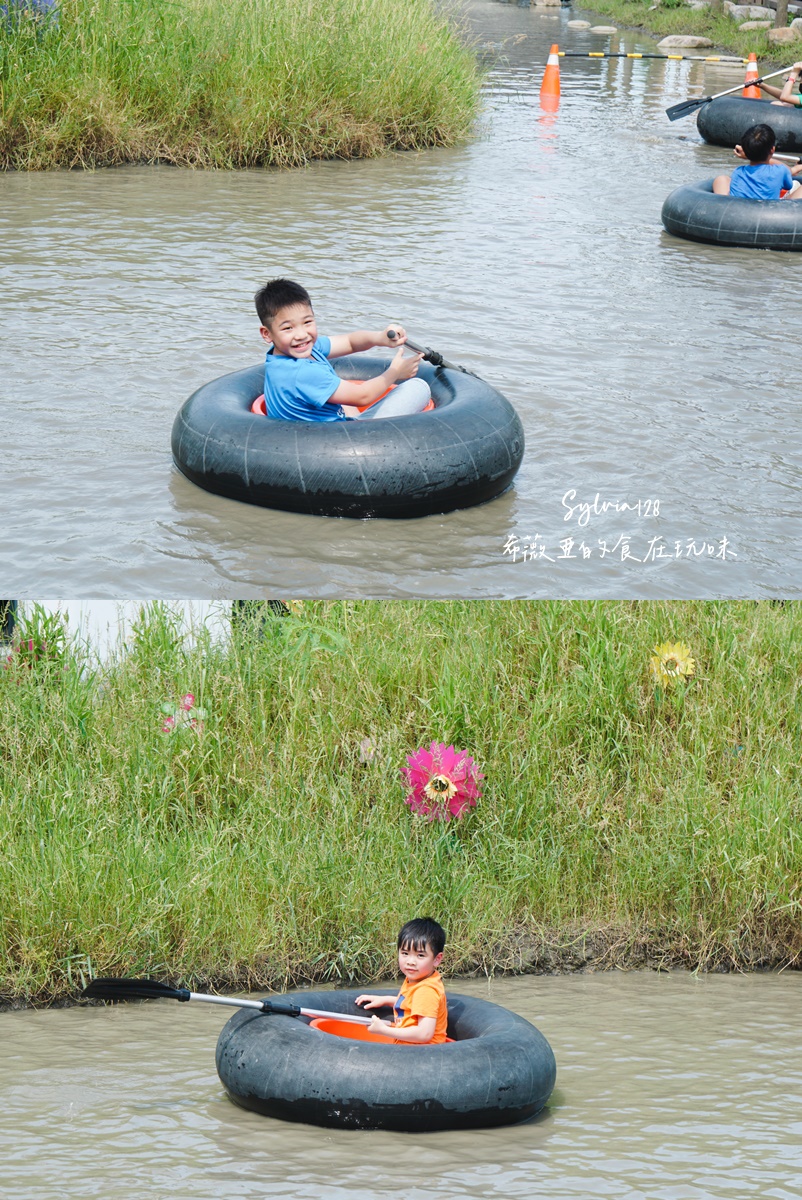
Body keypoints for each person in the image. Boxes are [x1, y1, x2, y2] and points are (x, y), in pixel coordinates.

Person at [254, 278, 431, 422]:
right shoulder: (301, 372)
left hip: (320, 430)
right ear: (267, 333)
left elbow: (349, 341)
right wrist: (395, 372)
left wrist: (379, 338)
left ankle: (354, 417)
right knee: (418, 387)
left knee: (339, 389)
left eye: (307, 322)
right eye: (288, 328)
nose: (301, 335)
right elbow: (363, 396)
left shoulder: (302, 350)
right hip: (337, 442)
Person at [356, 918, 449, 1044]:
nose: (410, 961)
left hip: (423, 1056)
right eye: (405, 953)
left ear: (437, 959)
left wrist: (384, 1030)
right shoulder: (416, 979)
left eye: (420, 955)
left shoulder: (426, 990)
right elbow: (414, 1004)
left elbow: (424, 1034)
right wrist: (386, 1000)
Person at [712, 123, 802, 198]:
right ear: (772, 150)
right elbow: (788, 184)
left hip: (740, 212)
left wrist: (748, 154)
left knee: (721, 179)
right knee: (796, 185)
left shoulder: (738, 172)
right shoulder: (781, 171)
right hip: (772, 213)